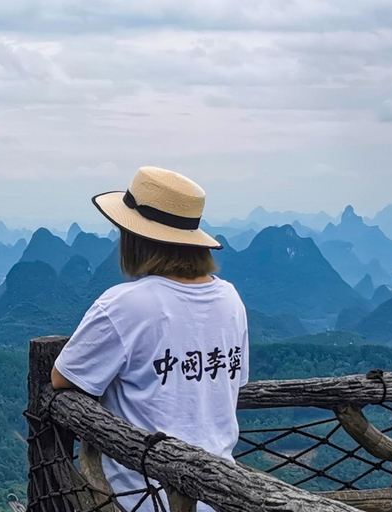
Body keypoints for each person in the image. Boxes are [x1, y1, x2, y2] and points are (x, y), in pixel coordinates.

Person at [51, 166, 248, 512]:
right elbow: (235, 381)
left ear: (136, 237)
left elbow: (62, 377)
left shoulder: (125, 304)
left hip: (141, 500)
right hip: (220, 495)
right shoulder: (230, 299)